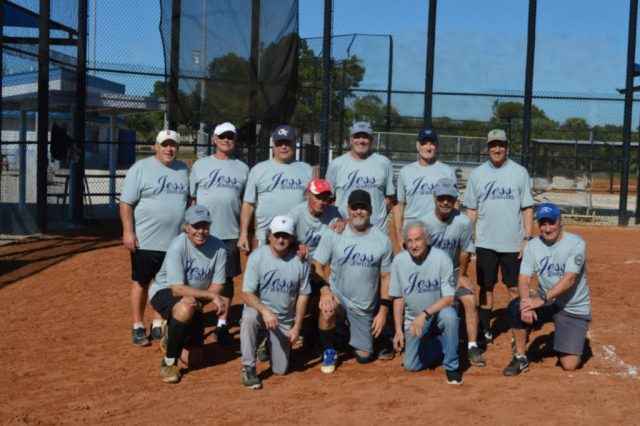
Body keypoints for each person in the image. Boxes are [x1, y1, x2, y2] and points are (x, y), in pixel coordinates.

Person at [463, 129, 534, 345]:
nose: (497, 149)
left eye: (501, 145)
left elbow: (527, 207)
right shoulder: (477, 174)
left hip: (513, 243)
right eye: (493, 145)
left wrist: (527, 238)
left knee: (514, 287)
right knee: (486, 287)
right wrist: (469, 239)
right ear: (488, 148)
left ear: (506, 147)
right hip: (485, 242)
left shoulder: (520, 172)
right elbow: (471, 210)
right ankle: (486, 328)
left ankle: (517, 328)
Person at [503, 203, 591, 376]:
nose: (547, 228)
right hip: (548, 302)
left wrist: (541, 299)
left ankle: (566, 339)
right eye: (543, 224)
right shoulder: (533, 245)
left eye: (551, 223)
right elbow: (524, 278)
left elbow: (569, 279)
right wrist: (526, 304)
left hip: (572, 306)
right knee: (517, 306)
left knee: (569, 365)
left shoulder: (576, 243)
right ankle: (520, 357)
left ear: (560, 222)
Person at [120, 129, 189, 347]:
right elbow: (126, 203)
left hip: (175, 242)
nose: (169, 148)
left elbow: (189, 202)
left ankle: (158, 322)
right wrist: (128, 232)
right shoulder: (140, 168)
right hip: (146, 240)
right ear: (156, 146)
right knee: (142, 282)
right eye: (165, 144)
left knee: (166, 284)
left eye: (173, 145)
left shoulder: (183, 170)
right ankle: (138, 325)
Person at [312, 190, 394, 374]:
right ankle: (329, 350)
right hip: (338, 296)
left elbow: (387, 277)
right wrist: (325, 291)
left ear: (370, 210)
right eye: (354, 208)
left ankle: (343, 332)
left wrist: (383, 311)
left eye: (363, 208)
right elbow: (317, 264)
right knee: (327, 309)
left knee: (364, 356)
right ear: (348, 210)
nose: (358, 212)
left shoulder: (382, 240)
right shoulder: (335, 232)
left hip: (363, 306)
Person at [148, 205, 227, 384]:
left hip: (195, 299)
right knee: (184, 309)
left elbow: (218, 284)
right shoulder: (178, 245)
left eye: (205, 226)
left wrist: (200, 301)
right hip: (165, 290)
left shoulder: (219, 247)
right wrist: (210, 297)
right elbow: (177, 289)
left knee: (195, 360)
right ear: (187, 227)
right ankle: (169, 363)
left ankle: (172, 332)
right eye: (195, 226)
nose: (201, 231)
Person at [190, 122, 249, 344]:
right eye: (222, 136)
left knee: (226, 279)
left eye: (230, 137)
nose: (226, 140)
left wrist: (244, 233)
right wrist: (191, 228)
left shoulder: (242, 168)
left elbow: (247, 204)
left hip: (230, 233)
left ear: (235, 140)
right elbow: (192, 200)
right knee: (197, 275)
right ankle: (193, 318)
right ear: (214, 139)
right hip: (202, 233)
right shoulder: (200, 165)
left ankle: (222, 323)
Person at [239, 215, 311, 389]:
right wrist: (265, 312)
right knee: (249, 317)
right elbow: (247, 294)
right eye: (277, 235)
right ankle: (248, 367)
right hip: (260, 312)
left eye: (285, 236)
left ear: (292, 238)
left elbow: (303, 295)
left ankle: (267, 341)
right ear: (269, 235)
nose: (280, 240)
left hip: (283, 320)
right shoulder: (257, 256)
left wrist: (297, 327)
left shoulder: (301, 261)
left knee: (280, 370)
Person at [390, 221, 462, 385]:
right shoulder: (399, 261)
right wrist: (398, 330)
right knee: (411, 365)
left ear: (427, 239)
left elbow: (449, 298)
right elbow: (398, 298)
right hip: (414, 322)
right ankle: (445, 343)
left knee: (450, 316)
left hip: (437, 316)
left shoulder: (441, 258)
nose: (414, 245)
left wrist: (424, 314)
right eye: (409, 241)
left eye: (418, 239)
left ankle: (452, 366)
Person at [423, 178, 486, 367]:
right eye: (441, 198)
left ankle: (472, 346)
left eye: (449, 198)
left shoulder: (464, 221)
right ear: (434, 198)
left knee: (470, 300)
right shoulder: (423, 222)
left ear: (455, 199)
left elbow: (466, 251)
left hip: (454, 272)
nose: (445, 202)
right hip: (429, 274)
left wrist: (462, 276)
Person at [238, 124, 313, 252]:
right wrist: (244, 233)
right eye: (279, 143)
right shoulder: (258, 170)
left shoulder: (307, 170)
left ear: (294, 143)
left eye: (287, 143)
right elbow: (248, 204)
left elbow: (313, 203)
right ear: (273, 144)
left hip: (297, 237)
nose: (283, 147)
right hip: (266, 236)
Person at [326, 121, 395, 235]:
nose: (361, 140)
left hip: (376, 232)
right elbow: (330, 199)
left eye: (365, 137)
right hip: (344, 231)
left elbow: (390, 198)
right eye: (357, 136)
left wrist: (377, 216)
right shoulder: (336, 164)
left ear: (371, 139)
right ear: (350, 140)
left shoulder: (384, 163)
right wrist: (339, 219)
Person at [393, 129, 457, 252]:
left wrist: (453, 231)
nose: (428, 148)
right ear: (418, 145)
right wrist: (399, 236)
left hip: (438, 230)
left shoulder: (447, 171)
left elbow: (455, 204)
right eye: (424, 143)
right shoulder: (405, 172)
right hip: (412, 231)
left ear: (437, 145)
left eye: (431, 143)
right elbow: (399, 206)